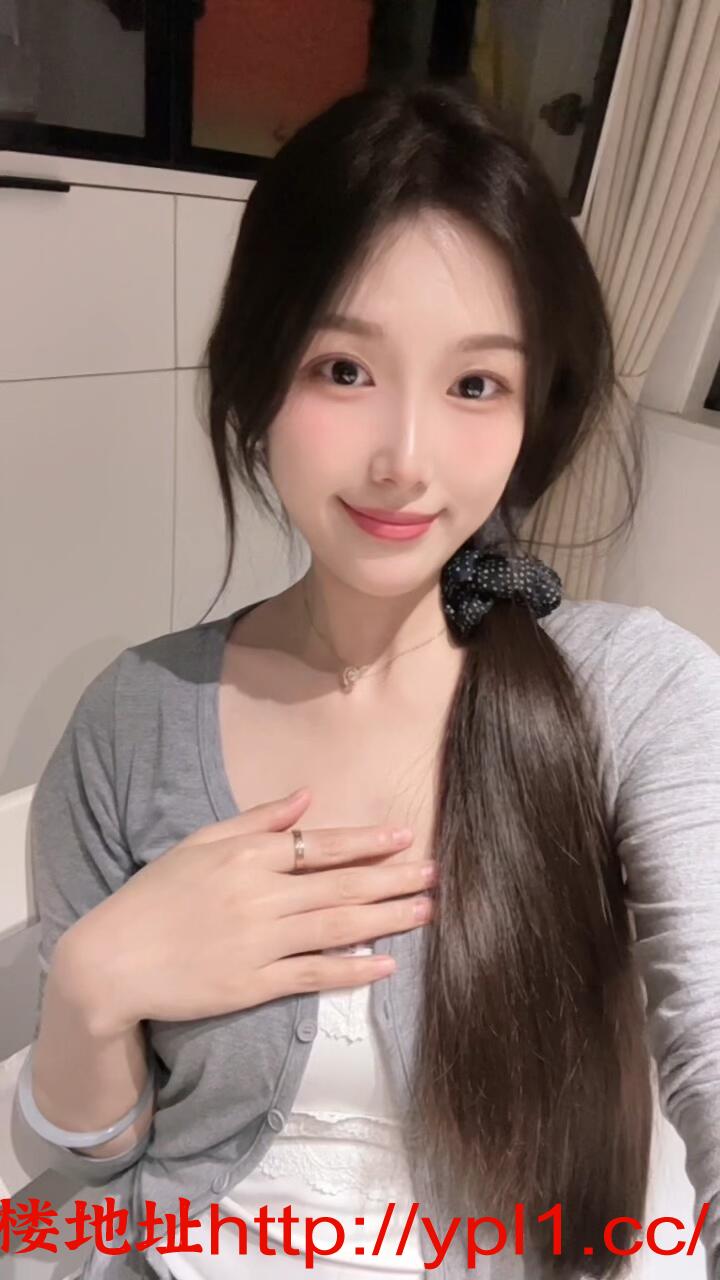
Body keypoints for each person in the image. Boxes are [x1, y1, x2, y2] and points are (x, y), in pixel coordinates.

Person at [16, 80, 720, 1280]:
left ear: (534, 410)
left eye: (475, 384)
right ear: (260, 374)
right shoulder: (133, 719)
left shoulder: (628, 693)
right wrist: (89, 990)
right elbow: (88, 1168)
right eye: (344, 368)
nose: (404, 458)